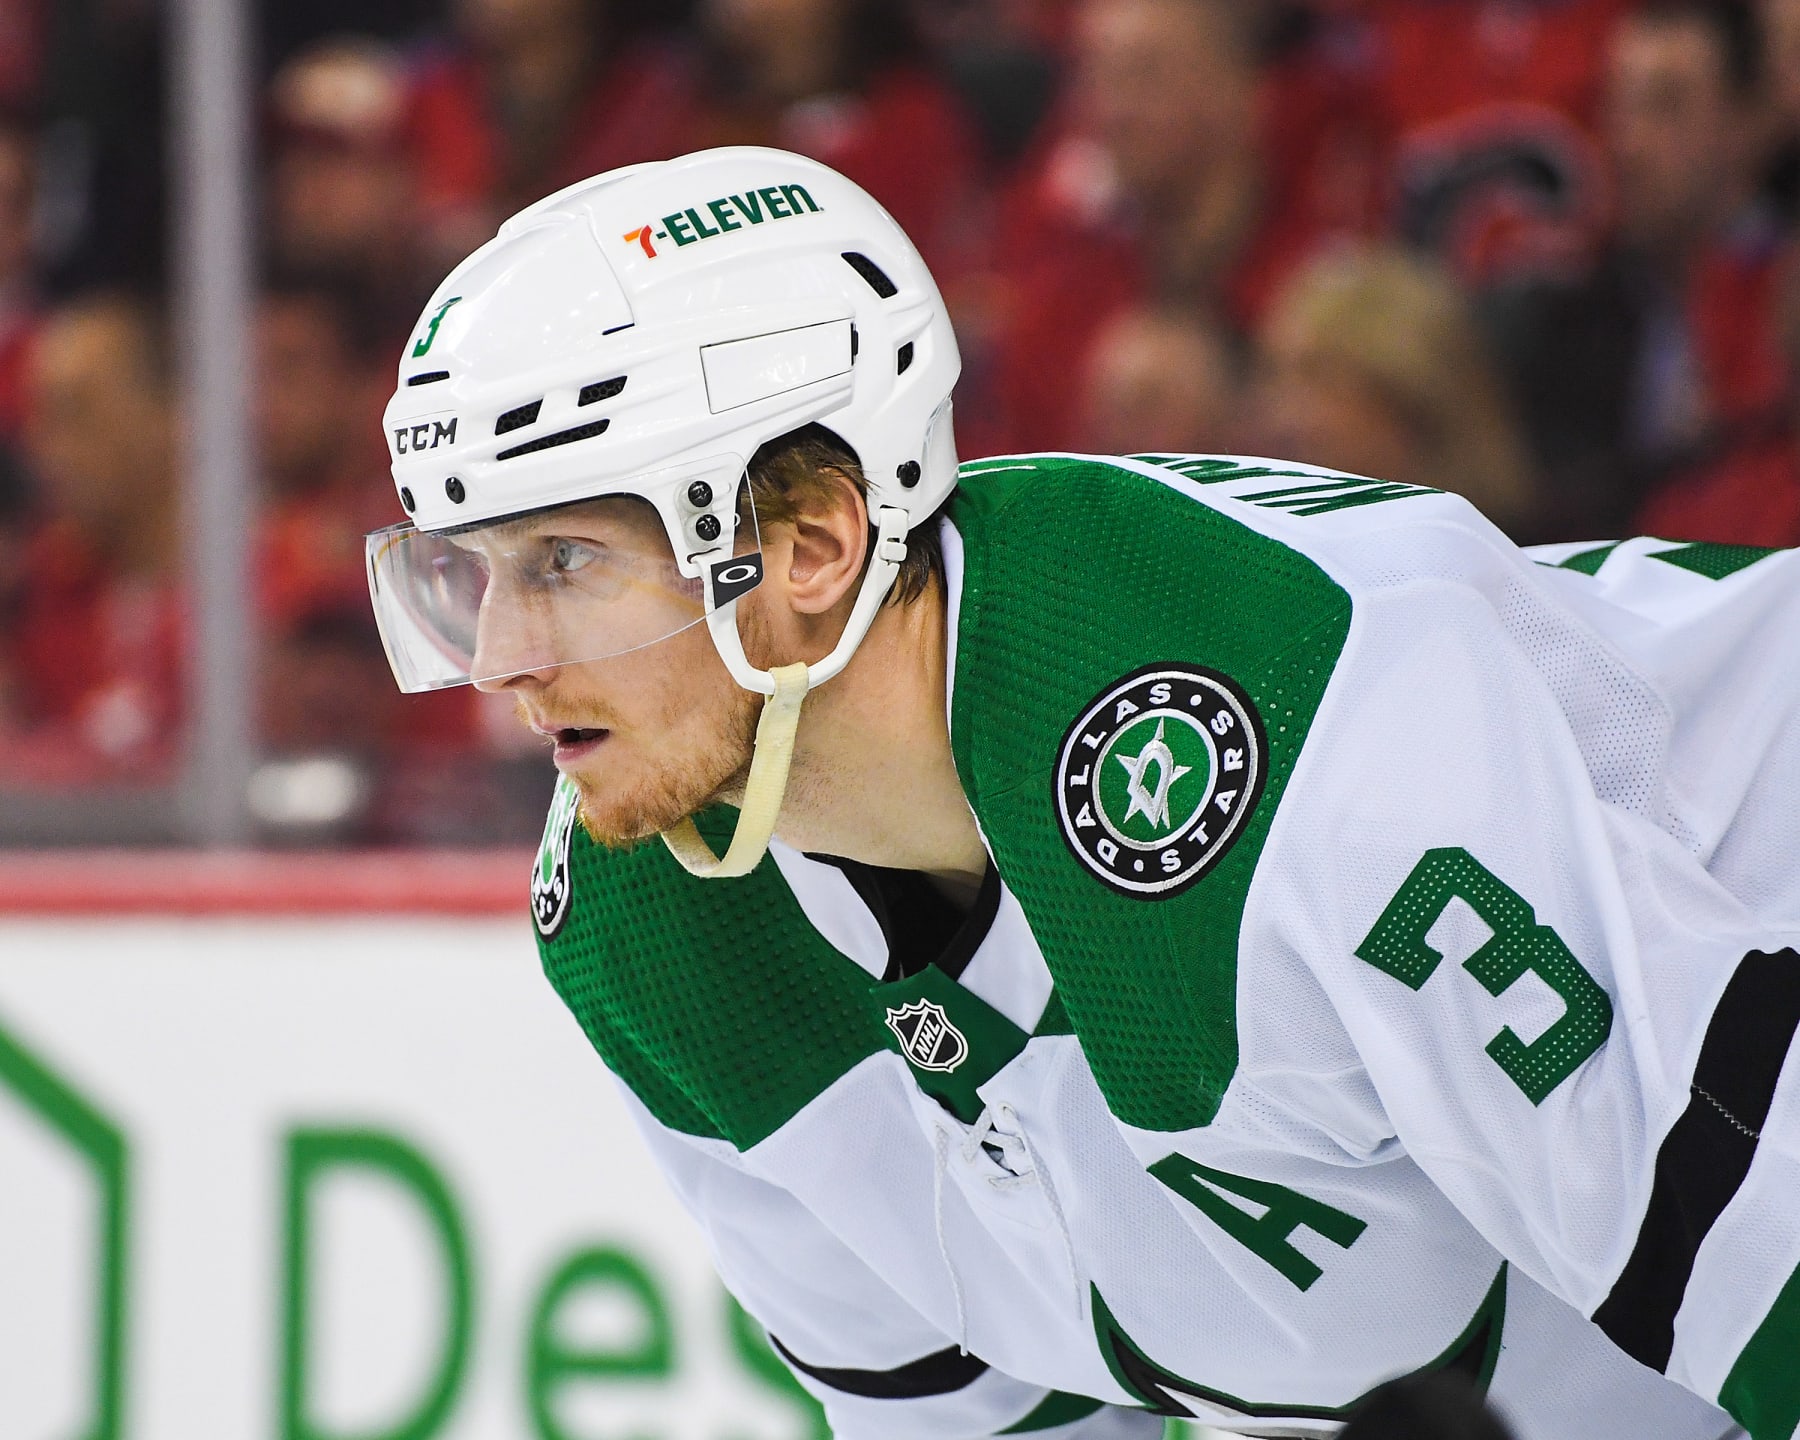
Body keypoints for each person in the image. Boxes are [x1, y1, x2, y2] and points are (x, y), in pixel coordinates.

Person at [366, 148, 1797, 1439]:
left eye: (561, 564)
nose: (498, 659)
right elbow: (974, 1422)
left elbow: (1760, 1256)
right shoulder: (645, 928)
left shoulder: (1296, 732)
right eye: (469, 577)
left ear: (809, 546)